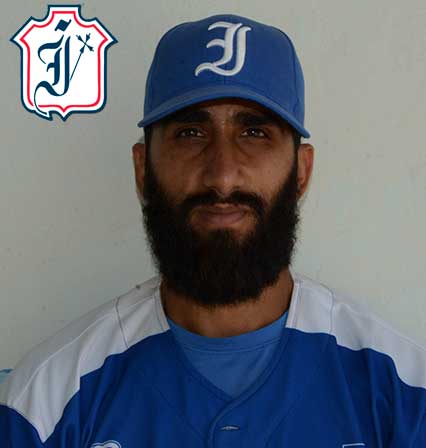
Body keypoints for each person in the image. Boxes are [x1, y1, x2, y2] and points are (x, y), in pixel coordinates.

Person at [1, 13, 425, 447]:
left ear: (301, 171)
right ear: (143, 169)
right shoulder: (44, 405)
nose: (222, 176)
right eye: (190, 133)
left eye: (254, 132)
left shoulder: (406, 394)